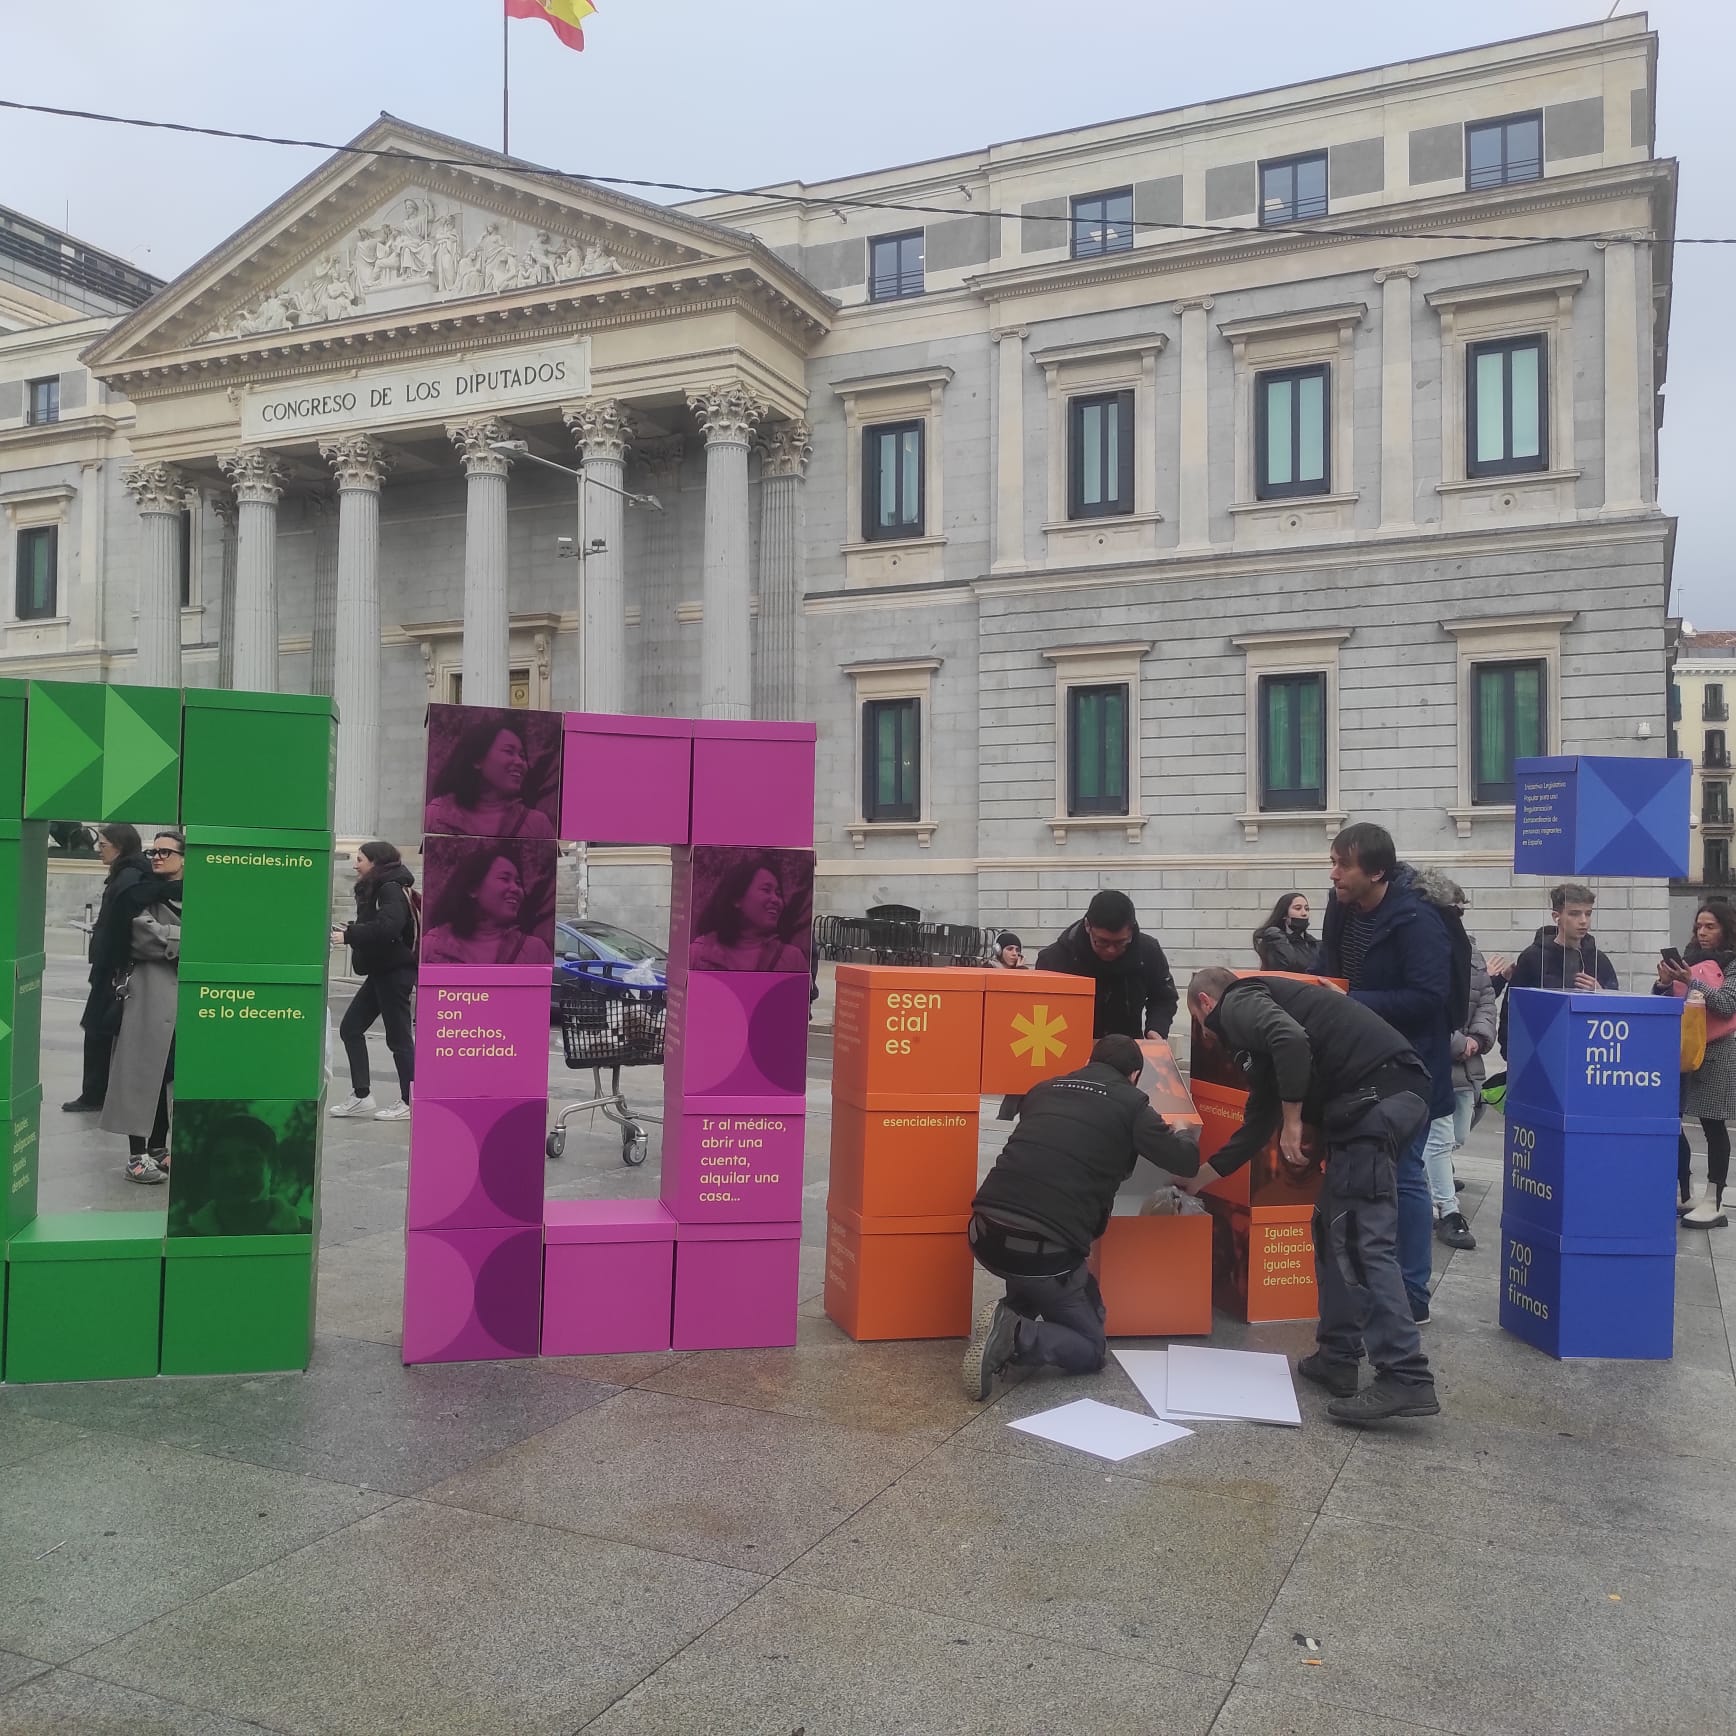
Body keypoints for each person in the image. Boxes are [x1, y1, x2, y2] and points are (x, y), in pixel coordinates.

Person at [1183, 967, 1439, 1424]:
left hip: (1378, 1100)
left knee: (1362, 1241)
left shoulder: (1238, 1001)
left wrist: (1296, 1122)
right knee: (1330, 1228)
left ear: (1205, 1003)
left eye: (1202, 1024)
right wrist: (1201, 1177)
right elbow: (1259, 1121)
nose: (1210, 1035)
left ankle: (1406, 1374)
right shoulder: (1262, 1030)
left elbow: (1290, 1040)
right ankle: (1337, 1357)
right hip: (1377, 1099)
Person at [962, 1034, 1202, 1398]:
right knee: (1090, 1349)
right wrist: (1183, 1133)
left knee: (1049, 1273)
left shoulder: (1043, 1089)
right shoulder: (1132, 1104)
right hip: (1042, 1251)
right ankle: (1015, 1334)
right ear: (1134, 1075)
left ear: (1091, 1060)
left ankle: (1008, 1313)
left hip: (983, 1231)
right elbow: (1184, 1161)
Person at [1314, 823, 1452, 1325]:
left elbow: (1428, 997)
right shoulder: (1340, 907)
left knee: (1408, 1174)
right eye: (1332, 862)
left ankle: (1413, 1293)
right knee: (1370, 1174)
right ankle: (1365, 1283)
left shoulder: (1416, 921)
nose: (1334, 875)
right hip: (1356, 1063)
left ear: (1376, 871)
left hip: (1410, 1068)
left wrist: (1351, 1002)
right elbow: (1328, 967)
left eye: (1343, 865)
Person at [1412, 871, 1491, 1252]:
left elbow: (1485, 998)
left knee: (1453, 1136)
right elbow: (1428, 1006)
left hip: (1463, 1063)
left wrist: (1478, 1038)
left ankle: (1432, 1191)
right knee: (1440, 1139)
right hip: (1435, 1058)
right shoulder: (1425, 948)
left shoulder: (1467, 949)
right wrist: (1458, 1041)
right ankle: (1447, 1209)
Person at [99, 830, 184, 1183]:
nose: (157, 857)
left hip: (183, 998)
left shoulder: (195, 894)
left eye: (166, 851)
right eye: (154, 851)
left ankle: (160, 1148)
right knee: (141, 1072)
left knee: (170, 1074)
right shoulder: (137, 893)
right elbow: (142, 937)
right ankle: (137, 1154)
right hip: (147, 993)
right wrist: (186, 938)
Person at [1657, 902, 1736, 1229]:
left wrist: (1693, 981)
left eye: (1710, 927)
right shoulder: (1688, 958)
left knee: (1712, 1124)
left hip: (1719, 1052)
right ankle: (1685, 1191)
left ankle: (1714, 1199)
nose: (1702, 933)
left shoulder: (1732, 964)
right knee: (1675, 1119)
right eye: (1699, 926)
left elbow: (1726, 1004)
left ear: (1725, 929)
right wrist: (1664, 983)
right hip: (1687, 1049)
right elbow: (1669, 1003)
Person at [63, 822, 150, 1113]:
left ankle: (94, 1094)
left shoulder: (129, 877)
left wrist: (113, 963)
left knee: (99, 1029)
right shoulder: (126, 874)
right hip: (112, 966)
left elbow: (122, 924)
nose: (99, 850)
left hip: (114, 969)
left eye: (104, 845)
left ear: (120, 846)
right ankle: (101, 1093)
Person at [330, 842, 419, 1121]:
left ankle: (410, 1099)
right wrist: (351, 931)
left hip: (395, 972)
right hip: (381, 971)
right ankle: (361, 1096)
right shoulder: (381, 887)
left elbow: (389, 927)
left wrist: (350, 935)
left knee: (399, 1038)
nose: (355, 864)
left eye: (360, 859)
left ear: (375, 862)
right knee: (350, 1028)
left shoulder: (389, 888)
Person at [1494, 881, 1620, 1054]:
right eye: (1575, 914)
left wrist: (1600, 993)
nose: (1583, 921)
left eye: (1588, 913)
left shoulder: (1599, 960)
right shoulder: (1533, 957)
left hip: (1589, 1052)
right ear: (1556, 916)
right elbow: (1512, 1009)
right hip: (1540, 1052)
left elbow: (1616, 1011)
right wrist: (1512, 1051)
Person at [1035, 890, 1178, 1039]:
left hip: (1127, 1051)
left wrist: (1156, 1029)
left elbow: (1164, 997)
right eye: (1102, 942)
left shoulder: (1148, 952)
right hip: (1068, 1048)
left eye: (1120, 943)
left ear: (1131, 930)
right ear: (1087, 926)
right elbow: (1039, 1009)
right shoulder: (1055, 959)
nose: (1111, 950)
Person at [424, 716, 555, 840]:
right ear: (477, 759)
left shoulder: (538, 825)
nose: (520, 762)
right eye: (509, 751)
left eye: (522, 756)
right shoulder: (435, 816)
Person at [422, 845, 553, 966]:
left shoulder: (535, 951)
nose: (515, 889)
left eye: (518, 883)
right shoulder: (432, 947)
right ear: (473, 888)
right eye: (504, 879)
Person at [691, 855, 806, 972]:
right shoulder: (698, 954)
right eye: (766, 890)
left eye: (778, 893)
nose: (775, 899)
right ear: (737, 898)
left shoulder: (792, 959)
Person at [1253, 893, 1320, 974]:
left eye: (1307, 909)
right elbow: (1287, 964)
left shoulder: (1314, 944)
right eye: (1298, 909)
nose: (1304, 913)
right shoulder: (1275, 938)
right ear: (1284, 914)